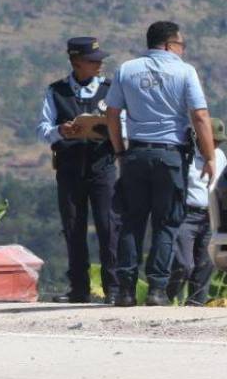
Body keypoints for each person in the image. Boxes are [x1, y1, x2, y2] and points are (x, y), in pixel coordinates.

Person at [106, 20, 215, 307]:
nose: (182, 51)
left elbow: (112, 114)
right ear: (169, 45)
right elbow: (200, 116)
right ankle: (156, 289)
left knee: (132, 222)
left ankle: (126, 291)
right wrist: (210, 156)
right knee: (166, 224)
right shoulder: (184, 71)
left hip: (136, 155)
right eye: (181, 46)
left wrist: (120, 151)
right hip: (170, 156)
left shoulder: (126, 69)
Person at [36, 36, 120, 303]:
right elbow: (43, 129)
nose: (99, 65)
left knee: (108, 227)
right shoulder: (56, 91)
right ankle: (79, 289)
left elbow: (125, 124)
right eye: (93, 61)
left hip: (102, 167)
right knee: (73, 227)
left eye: (100, 61)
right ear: (76, 62)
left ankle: (114, 288)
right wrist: (62, 131)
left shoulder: (111, 89)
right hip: (69, 168)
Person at [167, 117, 227, 306]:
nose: (215, 145)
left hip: (211, 216)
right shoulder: (186, 156)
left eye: (218, 142)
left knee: (205, 265)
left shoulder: (220, 157)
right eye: (212, 140)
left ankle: (196, 305)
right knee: (184, 264)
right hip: (187, 215)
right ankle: (165, 298)